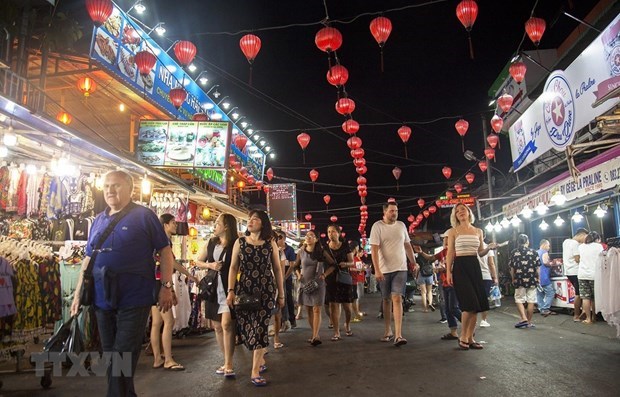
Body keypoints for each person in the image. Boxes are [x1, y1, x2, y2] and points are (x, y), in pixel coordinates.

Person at [70, 170, 175, 397]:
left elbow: (165, 252)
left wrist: (167, 287)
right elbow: (88, 258)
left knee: (121, 355)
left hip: (134, 298)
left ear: (130, 189)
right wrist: (78, 293)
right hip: (101, 299)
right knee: (113, 358)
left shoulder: (144, 216)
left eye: (115, 185)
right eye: (106, 186)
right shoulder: (98, 220)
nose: (109, 190)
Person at [226, 210, 284, 387]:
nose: (251, 221)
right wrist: (231, 290)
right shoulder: (240, 242)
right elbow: (233, 267)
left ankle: (255, 371)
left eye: (255, 219)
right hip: (244, 289)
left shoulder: (270, 243)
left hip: (266, 290)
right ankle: (260, 359)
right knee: (246, 327)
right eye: (249, 219)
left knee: (260, 327)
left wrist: (281, 294)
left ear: (263, 223)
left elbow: (277, 269)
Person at [445, 203, 497, 350]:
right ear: (455, 216)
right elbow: (450, 254)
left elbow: (480, 252)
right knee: (469, 304)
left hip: (475, 266)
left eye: (463, 209)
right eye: (457, 211)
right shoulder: (453, 231)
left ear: (469, 212)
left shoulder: (478, 231)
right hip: (460, 267)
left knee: (476, 306)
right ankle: (463, 336)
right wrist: (448, 272)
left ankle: (470, 338)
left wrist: (488, 248)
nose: (460, 212)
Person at [150, 214, 197, 371]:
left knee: (157, 323)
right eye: (173, 223)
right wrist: (170, 287)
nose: (176, 226)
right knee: (169, 321)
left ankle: (157, 358)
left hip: (153, 284)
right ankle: (168, 359)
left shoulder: (154, 240)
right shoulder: (163, 242)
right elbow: (171, 264)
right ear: (165, 224)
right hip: (160, 284)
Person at [194, 213, 238, 377]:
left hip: (229, 288)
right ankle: (225, 359)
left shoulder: (235, 244)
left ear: (226, 226)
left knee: (227, 324)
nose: (214, 225)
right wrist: (210, 264)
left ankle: (229, 363)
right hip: (212, 289)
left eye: (217, 222)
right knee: (217, 326)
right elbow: (197, 261)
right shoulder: (211, 242)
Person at [369, 201, 417, 347]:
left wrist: (413, 262)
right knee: (386, 299)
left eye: (396, 210)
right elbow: (374, 250)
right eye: (391, 211)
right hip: (384, 270)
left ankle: (398, 335)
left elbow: (407, 245)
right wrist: (376, 269)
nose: (394, 213)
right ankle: (387, 330)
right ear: (384, 212)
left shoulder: (402, 225)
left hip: (400, 268)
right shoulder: (377, 226)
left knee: (397, 298)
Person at [285, 230, 326, 345]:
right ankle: (314, 333)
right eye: (307, 235)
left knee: (316, 309)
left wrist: (325, 274)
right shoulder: (301, 251)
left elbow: (333, 264)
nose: (308, 237)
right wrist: (298, 275)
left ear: (316, 239)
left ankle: (315, 335)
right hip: (305, 284)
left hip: (318, 284)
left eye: (311, 235)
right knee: (308, 310)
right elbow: (295, 266)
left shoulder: (321, 252)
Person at [324, 224, 355, 340]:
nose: (331, 234)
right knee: (333, 305)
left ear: (338, 233)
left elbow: (352, 262)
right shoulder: (325, 249)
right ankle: (336, 332)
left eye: (333, 231)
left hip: (344, 278)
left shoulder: (345, 246)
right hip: (331, 279)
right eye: (328, 232)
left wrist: (345, 264)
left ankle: (347, 324)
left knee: (347, 307)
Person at [509, 234, 540, 329]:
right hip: (532, 279)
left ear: (518, 242)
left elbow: (511, 268)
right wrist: (538, 278)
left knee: (519, 299)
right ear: (527, 241)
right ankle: (529, 322)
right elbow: (537, 267)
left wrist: (513, 278)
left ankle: (523, 318)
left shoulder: (514, 252)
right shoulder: (534, 252)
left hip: (519, 279)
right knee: (531, 300)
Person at [562, 228, 589, 322]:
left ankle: (582, 312)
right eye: (585, 237)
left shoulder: (565, 242)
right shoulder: (575, 244)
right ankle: (576, 315)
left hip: (568, 272)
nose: (585, 239)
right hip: (576, 271)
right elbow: (577, 259)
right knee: (579, 294)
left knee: (580, 293)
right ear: (582, 234)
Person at [578, 231, 603, 324]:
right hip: (594, 275)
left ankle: (588, 319)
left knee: (585, 297)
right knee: (594, 297)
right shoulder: (598, 246)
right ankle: (594, 317)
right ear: (597, 239)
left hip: (582, 274)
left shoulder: (581, 247)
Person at [276, 230, 297, 331]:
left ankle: (291, 319)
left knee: (288, 298)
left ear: (284, 238)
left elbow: (292, 265)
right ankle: (281, 322)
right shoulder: (274, 248)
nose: (278, 239)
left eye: (280, 237)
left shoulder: (290, 250)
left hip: (287, 278)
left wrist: (285, 277)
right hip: (277, 277)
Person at [479, 231, 498, 327]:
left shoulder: (473, 247)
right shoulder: (488, 247)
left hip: (474, 276)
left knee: (475, 298)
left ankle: (471, 320)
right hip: (486, 276)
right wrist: (495, 277)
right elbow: (491, 264)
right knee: (484, 298)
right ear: (485, 236)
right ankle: (483, 319)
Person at [536, 239, 557, 317]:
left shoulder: (536, 252)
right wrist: (551, 264)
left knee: (539, 294)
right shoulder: (544, 252)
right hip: (544, 276)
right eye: (548, 245)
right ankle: (545, 308)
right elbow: (545, 262)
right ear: (544, 245)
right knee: (550, 293)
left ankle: (541, 308)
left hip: (537, 277)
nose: (549, 247)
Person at [415, 248, 435, 313]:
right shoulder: (430, 257)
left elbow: (417, 267)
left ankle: (425, 308)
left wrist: (416, 275)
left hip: (422, 274)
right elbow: (433, 268)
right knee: (429, 291)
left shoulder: (419, 257)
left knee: (423, 292)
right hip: (430, 275)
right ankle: (430, 304)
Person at [350, 244, 367, 322]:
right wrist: (360, 270)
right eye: (361, 252)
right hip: (356, 279)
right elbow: (352, 269)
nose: (362, 253)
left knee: (358, 297)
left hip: (360, 279)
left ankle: (358, 312)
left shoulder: (359, 259)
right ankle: (356, 314)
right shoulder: (353, 258)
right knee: (356, 298)